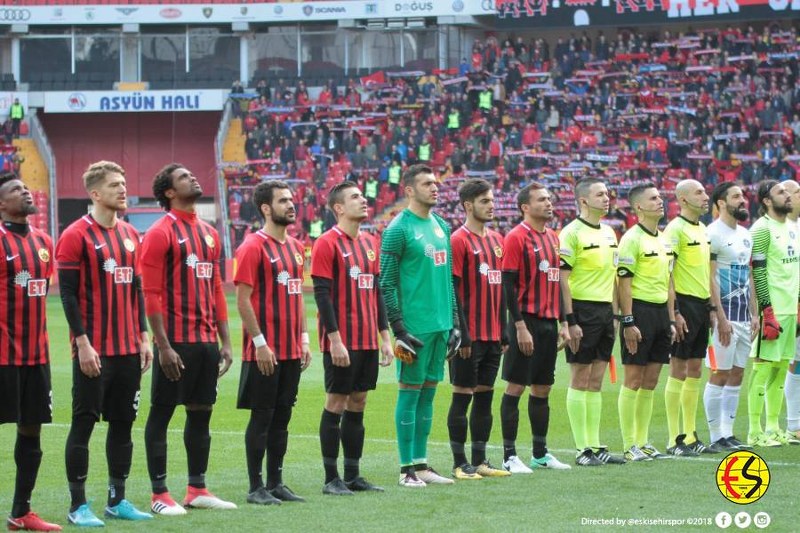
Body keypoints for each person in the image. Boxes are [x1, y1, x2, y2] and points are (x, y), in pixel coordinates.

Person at [56, 161, 154, 526]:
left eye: (124, 183)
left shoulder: (130, 234)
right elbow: (67, 294)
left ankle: (118, 499)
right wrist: (81, 343)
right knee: (83, 424)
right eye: (115, 185)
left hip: (129, 349)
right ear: (95, 193)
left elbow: (136, 289)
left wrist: (143, 337)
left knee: (124, 424)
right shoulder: (75, 235)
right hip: (94, 350)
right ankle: (78, 505)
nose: (123, 189)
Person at [140, 164, 235, 515]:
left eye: (192, 175)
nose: (193, 178)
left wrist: (225, 342)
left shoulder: (209, 233)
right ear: (168, 192)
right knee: (162, 414)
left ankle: (197, 488)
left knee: (201, 413)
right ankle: (159, 494)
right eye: (183, 177)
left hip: (206, 342)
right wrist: (163, 345)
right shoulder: (159, 232)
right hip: (175, 342)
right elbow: (149, 293)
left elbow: (216, 290)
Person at [380, 164, 460, 488]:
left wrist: (454, 323)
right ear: (409, 190)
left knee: (428, 395)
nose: (435, 187)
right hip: (414, 328)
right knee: (410, 394)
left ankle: (422, 464)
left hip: (440, 326)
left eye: (437, 182)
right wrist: (398, 328)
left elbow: (448, 281)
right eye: (427, 183)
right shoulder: (398, 229)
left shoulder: (442, 225)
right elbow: (386, 283)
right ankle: (405, 469)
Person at [311, 181, 393, 495]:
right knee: (336, 402)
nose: (363, 200)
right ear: (339, 208)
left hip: (366, 342)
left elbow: (377, 292)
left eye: (362, 195)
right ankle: (331, 478)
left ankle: (353, 475)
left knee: (358, 403)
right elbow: (322, 295)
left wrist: (384, 337)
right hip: (342, 341)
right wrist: (334, 340)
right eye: (355, 197)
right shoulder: (326, 243)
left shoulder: (370, 243)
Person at [236, 180, 312, 505]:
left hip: (292, 349)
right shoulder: (252, 246)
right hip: (265, 350)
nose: (291, 205)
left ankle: (276, 482)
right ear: (266, 208)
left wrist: (305, 338)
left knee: (282, 417)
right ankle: (256, 487)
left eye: (292, 199)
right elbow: (242, 299)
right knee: (262, 416)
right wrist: (260, 342)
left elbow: (296, 297)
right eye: (283, 200)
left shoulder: (296, 247)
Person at [0, 173, 61, 532]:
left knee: (31, 433)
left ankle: (21, 512)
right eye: (15, 190)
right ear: (1, 204)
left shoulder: (43, 241)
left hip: (36, 356)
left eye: (26, 188)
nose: (25, 192)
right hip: (2, 356)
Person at [500, 182, 570, 473]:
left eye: (550, 199)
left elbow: (556, 284)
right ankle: (509, 456)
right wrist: (519, 326)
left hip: (548, 324)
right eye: (541, 200)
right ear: (525, 207)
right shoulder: (516, 237)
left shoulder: (553, 237)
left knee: (543, 389)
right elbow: (507, 285)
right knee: (516, 386)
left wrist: (564, 323)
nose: (548, 203)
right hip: (525, 321)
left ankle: (540, 453)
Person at [447, 178, 511, 479]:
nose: (492, 205)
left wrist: (505, 329)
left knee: (485, 395)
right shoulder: (458, 240)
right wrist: (462, 332)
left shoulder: (497, 241)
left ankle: (481, 460)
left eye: (492, 200)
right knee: (463, 395)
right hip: (469, 336)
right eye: (485, 201)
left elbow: (499, 289)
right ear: (468, 205)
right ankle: (460, 463)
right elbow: (454, 290)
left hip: (492, 333)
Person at [559, 178, 626, 466]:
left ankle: (595, 444)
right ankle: (581, 449)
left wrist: (615, 315)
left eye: (607, 193)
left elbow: (613, 277)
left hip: (603, 313)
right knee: (580, 377)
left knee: (596, 381)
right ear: (583, 200)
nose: (606, 198)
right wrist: (570, 319)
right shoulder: (571, 233)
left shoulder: (610, 232)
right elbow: (562, 279)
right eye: (599, 194)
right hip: (581, 311)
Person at [617, 183, 677, 462]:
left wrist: (672, 318)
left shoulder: (665, 239)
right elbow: (623, 284)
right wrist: (628, 321)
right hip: (639, 312)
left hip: (660, 316)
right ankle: (629, 444)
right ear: (639, 206)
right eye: (653, 198)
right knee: (633, 378)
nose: (660, 201)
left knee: (651, 380)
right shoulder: (631, 239)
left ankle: (643, 441)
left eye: (660, 197)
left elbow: (669, 283)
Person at [662, 179, 717, 456]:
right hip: (683, 304)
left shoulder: (703, 229)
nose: (705, 196)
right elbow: (668, 273)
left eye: (705, 191)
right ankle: (674, 439)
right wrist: (675, 312)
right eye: (699, 192)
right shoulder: (675, 230)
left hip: (701, 305)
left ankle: (691, 434)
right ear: (683, 200)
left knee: (695, 370)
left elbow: (707, 273)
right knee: (679, 369)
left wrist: (711, 308)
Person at [704, 182, 758, 451]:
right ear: (721, 203)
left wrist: (754, 314)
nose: (743, 200)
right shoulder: (712, 233)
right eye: (736, 196)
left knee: (737, 373)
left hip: (744, 317)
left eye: (743, 196)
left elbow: (747, 276)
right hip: (723, 317)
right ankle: (715, 435)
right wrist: (720, 317)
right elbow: (710, 276)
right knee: (719, 374)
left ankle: (728, 432)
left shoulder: (746, 235)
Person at [748, 180, 800, 446]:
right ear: (767, 200)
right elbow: (757, 271)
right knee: (762, 370)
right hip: (774, 311)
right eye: (781, 192)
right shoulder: (762, 229)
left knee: (781, 371)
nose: (788, 195)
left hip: (791, 310)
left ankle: (773, 427)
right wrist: (766, 310)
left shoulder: (792, 227)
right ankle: (754, 430)